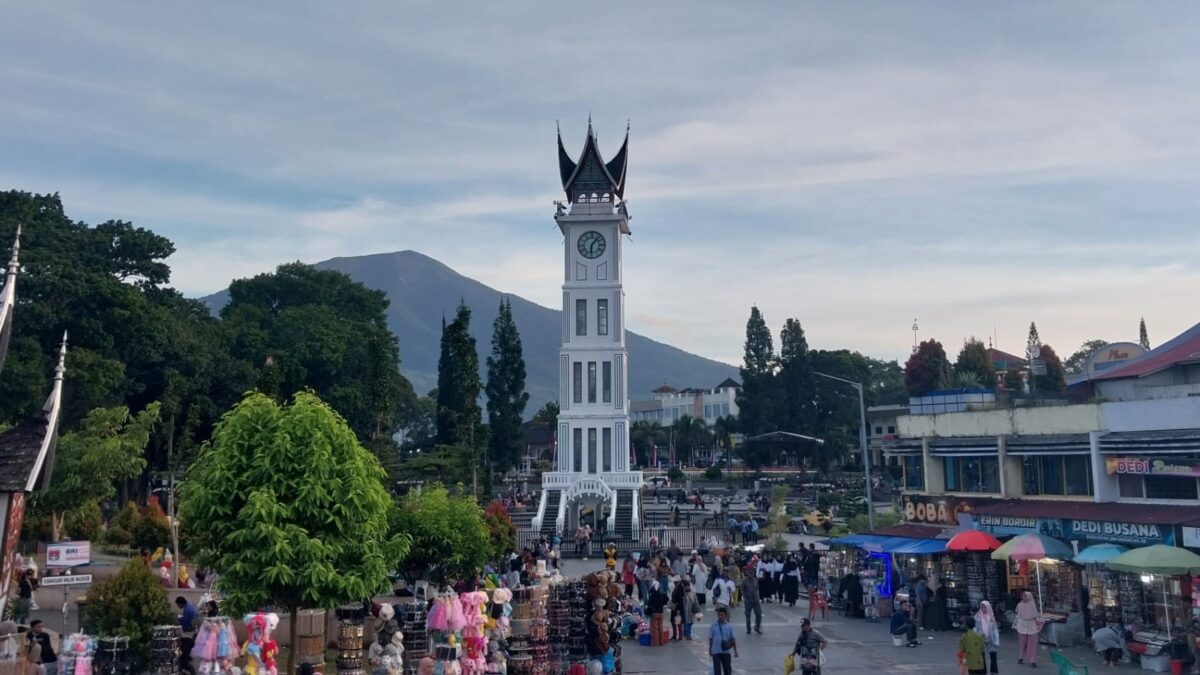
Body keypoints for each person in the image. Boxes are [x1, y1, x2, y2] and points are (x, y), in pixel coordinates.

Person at [708, 607, 738, 675]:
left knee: (727, 671)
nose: (720, 616)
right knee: (717, 671)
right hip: (716, 652)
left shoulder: (729, 626)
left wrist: (735, 651)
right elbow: (710, 639)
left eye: (722, 615)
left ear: (726, 615)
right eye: (719, 615)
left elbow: (733, 639)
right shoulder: (713, 626)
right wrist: (710, 650)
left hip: (726, 652)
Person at [1015, 591, 1041, 667]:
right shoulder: (1019, 605)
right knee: (1022, 642)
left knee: (1033, 643)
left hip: (1031, 625)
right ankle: (1021, 657)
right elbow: (1018, 614)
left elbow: (1035, 616)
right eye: (1023, 596)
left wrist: (1037, 624)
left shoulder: (1032, 605)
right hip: (1022, 624)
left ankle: (1032, 660)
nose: (1023, 597)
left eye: (1025, 596)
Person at [974, 600, 1000, 673]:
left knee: (993, 656)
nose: (983, 609)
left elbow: (995, 630)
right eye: (982, 607)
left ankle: (994, 671)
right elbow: (975, 628)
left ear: (988, 608)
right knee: (981, 656)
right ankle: (983, 671)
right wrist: (978, 636)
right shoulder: (977, 617)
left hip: (991, 639)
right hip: (981, 639)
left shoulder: (992, 617)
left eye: (985, 607)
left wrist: (996, 640)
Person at [176, 596, 198, 674]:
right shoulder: (190, 606)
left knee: (184, 654)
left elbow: (185, 622)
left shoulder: (187, 609)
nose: (178, 607)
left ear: (180, 603)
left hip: (188, 634)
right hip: (192, 634)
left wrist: (179, 620)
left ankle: (186, 668)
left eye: (178, 605)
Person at [739, 568, 762, 635]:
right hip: (748, 600)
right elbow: (742, 590)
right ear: (747, 573)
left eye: (752, 573)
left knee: (758, 614)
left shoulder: (755, 580)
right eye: (750, 573)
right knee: (748, 616)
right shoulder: (744, 581)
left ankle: (757, 627)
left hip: (755, 600)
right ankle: (748, 629)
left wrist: (758, 597)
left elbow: (757, 589)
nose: (751, 574)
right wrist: (744, 598)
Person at [646, 582, 668, 647]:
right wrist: (662, 604)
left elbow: (649, 604)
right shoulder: (661, 593)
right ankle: (661, 642)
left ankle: (656, 643)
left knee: (654, 629)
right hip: (661, 613)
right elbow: (666, 598)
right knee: (660, 628)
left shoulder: (652, 594)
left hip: (654, 613)